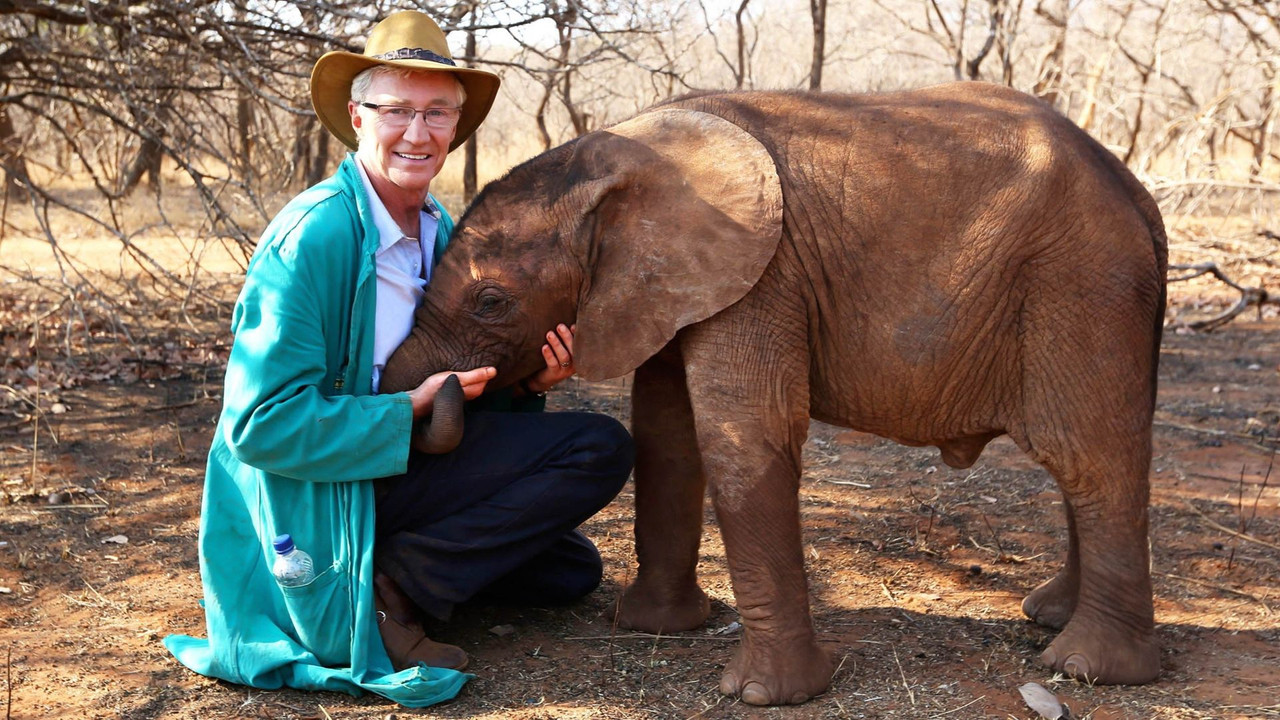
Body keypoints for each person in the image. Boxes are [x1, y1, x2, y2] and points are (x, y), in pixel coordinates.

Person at [165, 11, 633, 708]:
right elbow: (259, 426)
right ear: (358, 117)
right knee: (599, 447)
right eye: (398, 111)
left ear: (455, 125)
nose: (417, 133)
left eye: (437, 113)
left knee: (567, 572)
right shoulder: (314, 237)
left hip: (403, 462)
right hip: (322, 487)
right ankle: (392, 591)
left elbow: (454, 382)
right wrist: (404, 411)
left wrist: (529, 384)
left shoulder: (443, 229)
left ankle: (393, 566)